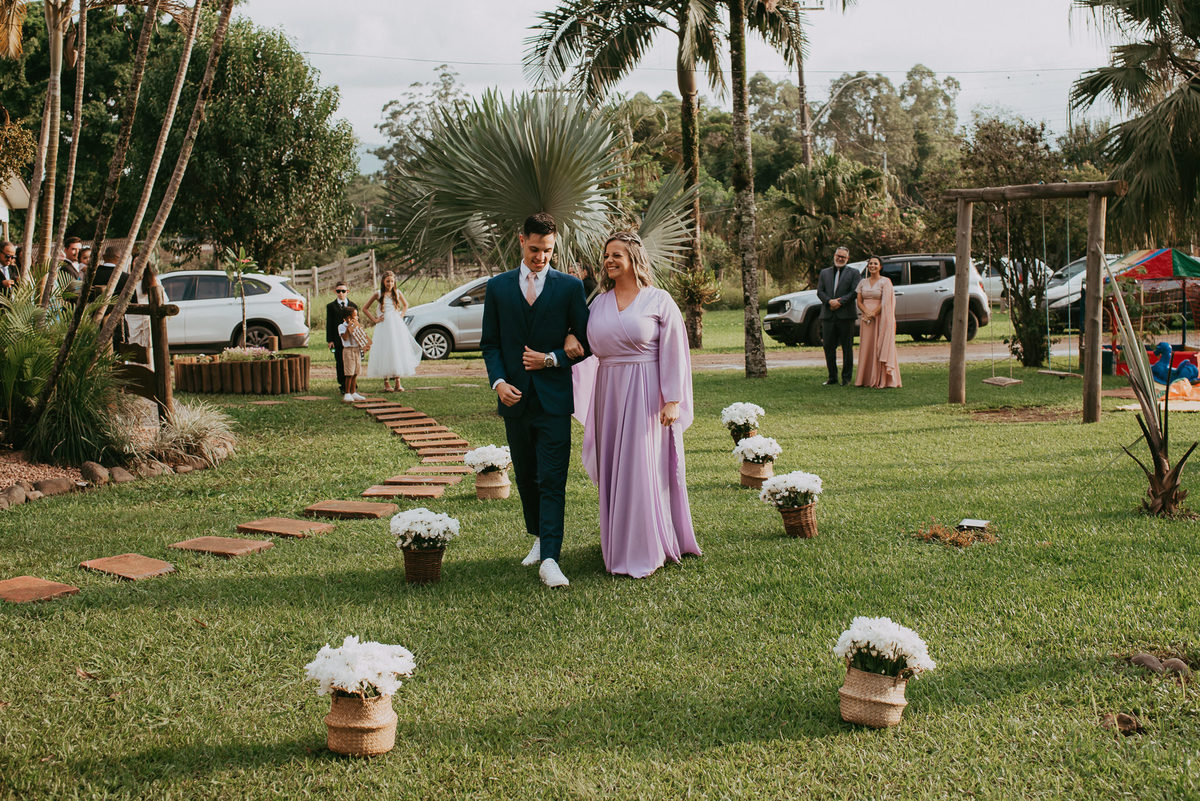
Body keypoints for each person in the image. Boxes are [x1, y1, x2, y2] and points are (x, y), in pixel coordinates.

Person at [573, 231, 700, 578]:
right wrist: (570, 336)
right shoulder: (598, 302)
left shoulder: (659, 300)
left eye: (617, 255)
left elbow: (676, 350)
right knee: (615, 466)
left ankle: (647, 545)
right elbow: (583, 343)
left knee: (642, 467)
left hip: (646, 393)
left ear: (634, 259)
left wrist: (672, 399)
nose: (609, 261)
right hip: (609, 392)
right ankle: (618, 542)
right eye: (606, 255)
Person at [480, 212, 590, 589]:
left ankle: (552, 560)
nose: (541, 257)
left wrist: (555, 357)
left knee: (552, 479)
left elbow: (589, 342)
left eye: (547, 251)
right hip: (514, 401)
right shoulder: (497, 288)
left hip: (555, 401)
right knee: (526, 476)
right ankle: (539, 537)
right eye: (534, 249)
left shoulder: (570, 288)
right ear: (520, 239)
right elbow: (490, 343)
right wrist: (498, 382)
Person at [363, 270, 422, 392]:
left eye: (392, 281)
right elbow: (365, 308)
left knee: (397, 349)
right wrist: (375, 319)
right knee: (385, 350)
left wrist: (401, 315)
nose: (390, 283)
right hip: (384, 326)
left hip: (396, 326)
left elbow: (406, 305)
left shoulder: (397, 293)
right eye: (387, 281)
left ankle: (397, 381)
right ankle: (386, 383)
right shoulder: (378, 294)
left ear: (394, 282)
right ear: (383, 282)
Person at [854, 255, 902, 388]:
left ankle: (882, 378)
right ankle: (865, 379)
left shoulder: (885, 282)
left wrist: (874, 313)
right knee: (867, 347)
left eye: (875, 264)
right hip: (866, 319)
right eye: (870, 264)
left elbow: (886, 301)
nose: (872, 266)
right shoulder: (862, 282)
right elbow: (859, 301)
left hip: (880, 318)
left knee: (879, 345)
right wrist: (866, 313)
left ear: (880, 266)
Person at [816, 246, 861, 386]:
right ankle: (832, 377)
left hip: (845, 316)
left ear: (847, 259)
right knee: (828, 348)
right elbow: (820, 291)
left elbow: (855, 292)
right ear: (834, 256)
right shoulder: (824, 273)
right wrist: (829, 301)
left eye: (843, 257)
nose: (840, 259)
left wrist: (840, 302)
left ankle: (846, 378)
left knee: (847, 348)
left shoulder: (854, 273)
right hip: (828, 315)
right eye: (838, 256)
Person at [326, 281, 358, 396]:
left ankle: (353, 386)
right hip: (338, 338)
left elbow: (357, 323)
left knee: (354, 363)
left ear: (347, 292)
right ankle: (343, 385)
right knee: (340, 362)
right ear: (335, 292)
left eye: (343, 291)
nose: (341, 293)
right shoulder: (331, 306)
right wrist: (330, 340)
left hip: (352, 340)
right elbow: (329, 323)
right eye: (338, 291)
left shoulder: (353, 305)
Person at [337, 306, 369, 402]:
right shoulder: (341, 326)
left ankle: (353, 392)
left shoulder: (357, 326)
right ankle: (347, 393)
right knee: (349, 373)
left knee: (356, 372)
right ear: (348, 318)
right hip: (348, 351)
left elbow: (362, 339)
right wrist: (349, 327)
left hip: (356, 350)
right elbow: (345, 338)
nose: (357, 318)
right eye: (355, 316)